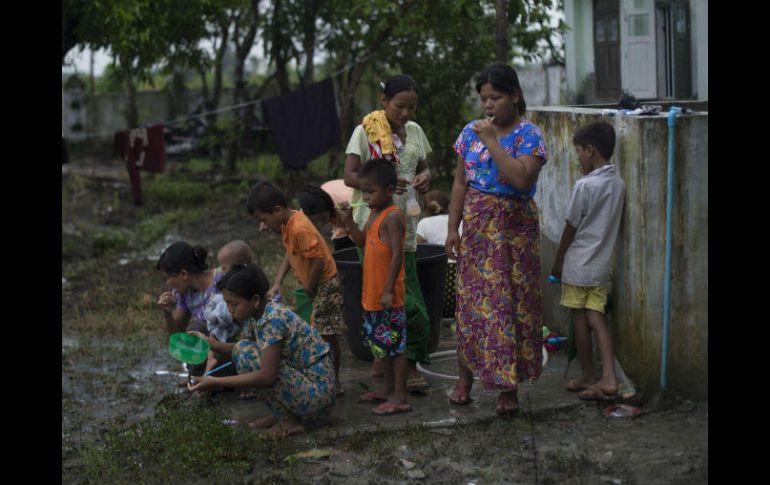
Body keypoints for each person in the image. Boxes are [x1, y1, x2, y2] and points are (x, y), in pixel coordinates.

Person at [446, 63, 548, 415]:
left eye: (496, 98)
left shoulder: (530, 135)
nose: (488, 106)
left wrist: (491, 141)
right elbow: (460, 182)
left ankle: (508, 388)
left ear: (515, 96)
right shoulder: (469, 132)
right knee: (470, 306)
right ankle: (464, 380)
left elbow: (520, 180)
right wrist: (451, 228)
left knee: (511, 307)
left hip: (514, 234)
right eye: (484, 99)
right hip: (476, 230)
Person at [343, 74, 432, 392]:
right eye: (399, 106)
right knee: (384, 299)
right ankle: (396, 364)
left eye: (412, 107)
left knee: (405, 298)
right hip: (374, 227)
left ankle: (400, 362)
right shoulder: (364, 133)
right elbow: (350, 175)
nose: (406, 113)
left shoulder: (416, 132)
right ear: (384, 102)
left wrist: (424, 177)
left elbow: (424, 166)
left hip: (405, 225)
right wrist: (382, 185)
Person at [187, 264, 336, 436]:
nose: (229, 309)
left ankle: (291, 421)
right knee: (244, 351)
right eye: (227, 303)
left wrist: (216, 381)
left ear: (255, 300)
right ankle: (282, 414)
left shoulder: (272, 320)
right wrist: (210, 344)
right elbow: (240, 350)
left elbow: (267, 376)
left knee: (248, 356)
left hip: (317, 397)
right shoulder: (254, 316)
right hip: (303, 384)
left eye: (234, 304)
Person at [246, 181, 346, 396]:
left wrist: (310, 287)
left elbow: (318, 261)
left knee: (326, 334)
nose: (264, 225)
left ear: (277, 210)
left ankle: (334, 382)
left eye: (264, 220)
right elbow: (290, 255)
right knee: (319, 331)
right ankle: (327, 378)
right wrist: (278, 281)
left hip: (325, 284)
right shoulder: (287, 224)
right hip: (316, 284)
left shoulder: (300, 227)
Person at [550, 120, 625, 401]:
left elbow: (571, 226)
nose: (577, 156)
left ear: (590, 151)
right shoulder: (617, 182)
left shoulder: (584, 185)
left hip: (578, 264)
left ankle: (588, 375)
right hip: (601, 266)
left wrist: (558, 262)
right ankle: (609, 377)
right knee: (598, 318)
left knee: (580, 319)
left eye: (579, 151)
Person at [338, 158, 411, 415]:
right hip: (373, 294)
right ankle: (387, 390)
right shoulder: (374, 213)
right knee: (383, 346)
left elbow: (398, 255)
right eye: (363, 191)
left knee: (396, 347)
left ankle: (400, 396)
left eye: (371, 191)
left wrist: (389, 289)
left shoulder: (392, 216)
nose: (366, 197)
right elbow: (360, 241)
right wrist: (347, 223)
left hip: (388, 296)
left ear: (389, 190)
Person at [155, 241, 236, 384]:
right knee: (192, 335)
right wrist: (167, 313)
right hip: (213, 349)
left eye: (168, 278)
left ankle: (220, 377)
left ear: (184, 274)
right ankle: (208, 377)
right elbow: (176, 338)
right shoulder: (186, 295)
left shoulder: (222, 278)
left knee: (198, 326)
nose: (167, 283)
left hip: (233, 345)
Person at [416, 190, 460, 319]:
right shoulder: (459, 222)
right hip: (460, 284)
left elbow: (417, 252)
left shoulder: (423, 224)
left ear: (425, 209)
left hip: (437, 287)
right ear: (448, 206)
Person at [298, 183, 356, 252]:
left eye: (322, 218)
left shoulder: (344, 208)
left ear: (328, 209)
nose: (319, 223)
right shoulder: (303, 215)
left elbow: (358, 237)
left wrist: (347, 227)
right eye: (314, 221)